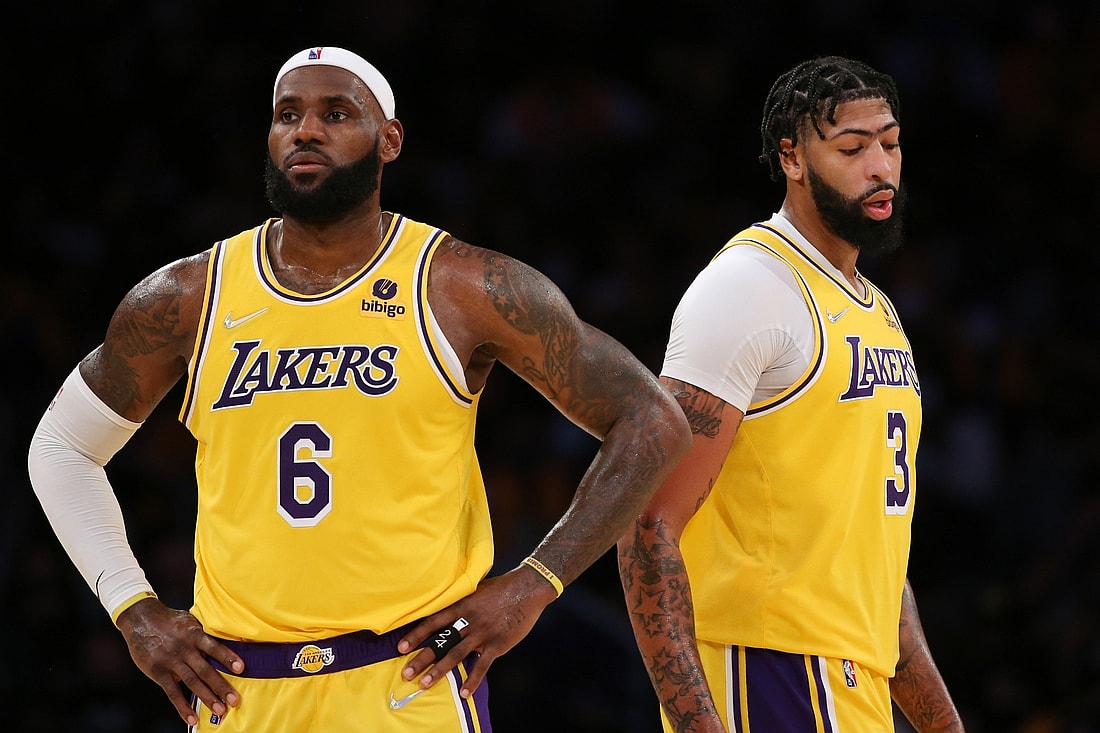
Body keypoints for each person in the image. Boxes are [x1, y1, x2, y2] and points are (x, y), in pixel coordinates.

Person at [27, 45, 691, 732]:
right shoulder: (187, 296)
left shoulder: (462, 286)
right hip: (242, 693)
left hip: (408, 683)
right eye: (288, 114)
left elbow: (653, 419)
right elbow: (61, 449)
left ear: (389, 139)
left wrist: (535, 583)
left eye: (335, 113)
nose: (305, 130)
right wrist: (133, 609)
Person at [617, 55, 965, 732]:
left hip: (849, 680)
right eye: (852, 148)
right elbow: (645, 523)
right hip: (770, 669)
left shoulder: (880, 312)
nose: (881, 168)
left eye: (890, 144)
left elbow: (876, 562)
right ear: (793, 158)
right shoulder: (748, 288)